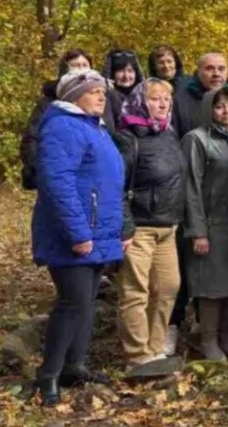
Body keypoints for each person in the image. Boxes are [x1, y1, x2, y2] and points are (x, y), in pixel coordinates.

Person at [31, 69, 133, 405]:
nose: (102, 96)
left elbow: (107, 184)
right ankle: (48, 375)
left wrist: (119, 230)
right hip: (72, 234)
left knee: (85, 303)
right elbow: (57, 184)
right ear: (74, 95)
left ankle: (74, 366)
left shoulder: (94, 127)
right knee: (72, 303)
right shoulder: (62, 126)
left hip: (98, 233)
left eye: (103, 91)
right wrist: (78, 233)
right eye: (93, 91)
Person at [181, 87, 228, 360]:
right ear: (208, 110)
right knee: (211, 286)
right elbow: (191, 187)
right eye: (219, 107)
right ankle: (208, 339)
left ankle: (226, 336)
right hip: (211, 224)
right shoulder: (197, 139)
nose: (226, 111)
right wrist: (197, 230)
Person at [113, 79, 185, 369]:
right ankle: (137, 355)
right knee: (136, 291)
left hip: (168, 226)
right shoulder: (127, 138)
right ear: (142, 101)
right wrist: (125, 227)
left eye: (166, 99)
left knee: (168, 286)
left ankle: (156, 349)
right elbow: (115, 186)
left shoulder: (169, 133)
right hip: (139, 227)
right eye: (155, 99)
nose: (163, 104)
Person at [21, 48, 100, 191]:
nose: (81, 70)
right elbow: (31, 139)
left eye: (84, 65)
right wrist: (43, 171)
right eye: (75, 65)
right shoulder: (48, 103)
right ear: (65, 70)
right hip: (58, 179)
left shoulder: (102, 101)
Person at [173, 53, 228, 139]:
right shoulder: (179, 102)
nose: (216, 74)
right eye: (209, 69)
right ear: (198, 72)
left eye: (221, 69)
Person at [103, 49, 145, 129]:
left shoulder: (145, 96)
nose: (126, 76)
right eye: (121, 71)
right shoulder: (104, 98)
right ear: (112, 73)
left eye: (130, 71)